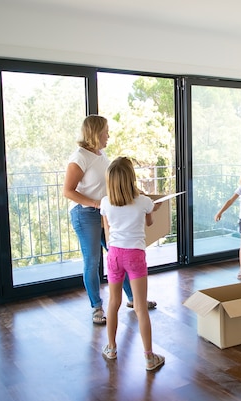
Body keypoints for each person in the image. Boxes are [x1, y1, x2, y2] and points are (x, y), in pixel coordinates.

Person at [63, 115, 155, 326]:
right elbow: (68, 191)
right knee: (93, 260)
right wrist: (96, 204)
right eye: (106, 131)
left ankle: (134, 299)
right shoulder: (79, 158)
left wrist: (137, 193)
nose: (108, 135)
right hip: (85, 214)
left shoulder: (100, 154)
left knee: (117, 254)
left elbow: (112, 183)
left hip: (104, 212)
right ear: (95, 132)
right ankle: (97, 307)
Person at [99, 157, 165, 371]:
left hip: (114, 254)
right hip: (135, 255)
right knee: (140, 307)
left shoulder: (105, 202)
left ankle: (111, 348)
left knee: (113, 303)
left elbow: (107, 228)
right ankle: (148, 358)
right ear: (131, 178)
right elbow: (149, 222)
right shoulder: (144, 201)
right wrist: (152, 209)